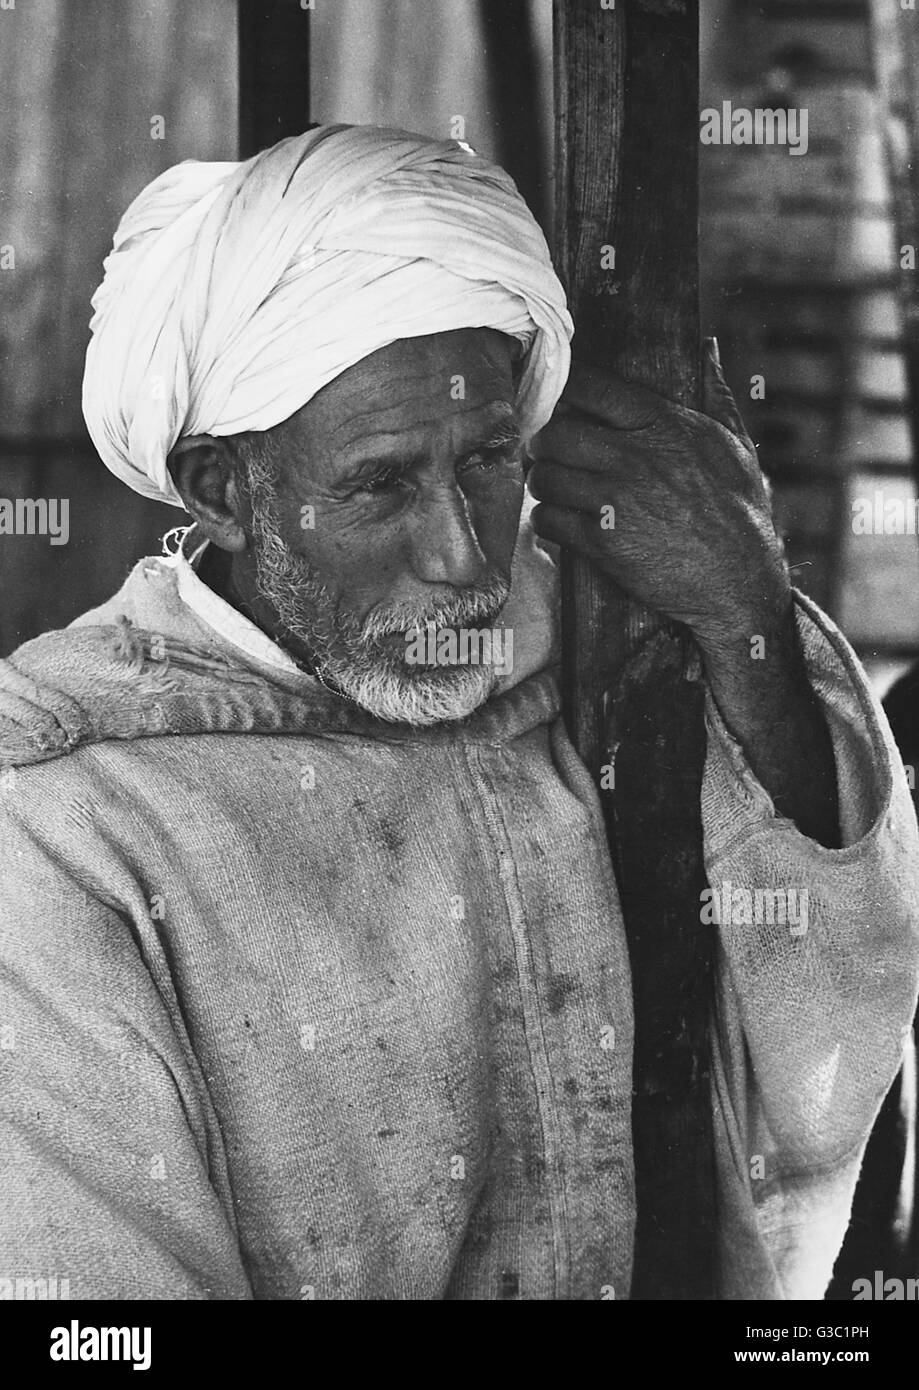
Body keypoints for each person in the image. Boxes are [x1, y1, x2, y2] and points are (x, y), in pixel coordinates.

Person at [0, 125, 917, 1301]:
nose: (461, 556)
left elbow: (812, 1026)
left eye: (488, 461)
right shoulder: (68, 823)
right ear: (224, 492)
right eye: (381, 484)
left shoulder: (596, 646)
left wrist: (744, 604)